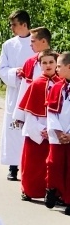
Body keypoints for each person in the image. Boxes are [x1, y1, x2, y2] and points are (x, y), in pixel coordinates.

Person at [14, 49, 59, 202]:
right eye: (44, 63)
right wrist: (41, 130)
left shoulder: (62, 84)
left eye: (51, 62)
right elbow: (30, 113)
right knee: (32, 164)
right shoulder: (36, 84)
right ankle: (28, 190)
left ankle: (52, 192)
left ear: (57, 64)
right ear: (39, 65)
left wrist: (53, 129)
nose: (48, 65)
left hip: (54, 131)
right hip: (36, 131)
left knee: (51, 165)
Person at [0, 10, 33, 181]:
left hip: (32, 91)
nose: (11, 27)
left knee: (31, 128)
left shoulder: (36, 42)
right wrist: (14, 72)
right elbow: (1, 68)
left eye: (14, 24)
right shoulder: (8, 45)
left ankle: (30, 165)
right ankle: (13, 166)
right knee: (13, 129)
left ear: (24, 24)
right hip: (15, 90)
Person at [46, 52, 70, 212]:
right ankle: (52, 189)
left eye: (59, 66)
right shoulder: (57, 87)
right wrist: (59, 132)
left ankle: (68, 200)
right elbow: (51, 112)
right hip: (58, 136)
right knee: (53, 165)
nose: (56, 69)